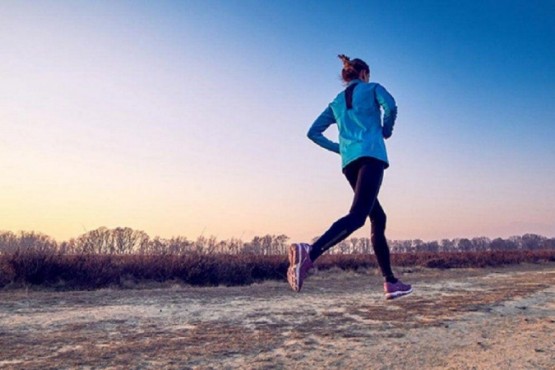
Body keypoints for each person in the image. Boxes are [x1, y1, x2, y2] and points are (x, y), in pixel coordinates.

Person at [287, 54, 412, 300]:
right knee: (357, 217)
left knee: (378, 216)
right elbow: (392, 106)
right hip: (371, 157)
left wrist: (341, 148)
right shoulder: (373, 88)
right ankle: (309, 253)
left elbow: (313, 132)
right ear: (364, 73)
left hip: (350, 164)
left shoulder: (336, 102)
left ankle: (390, 282)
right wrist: (386, 129)